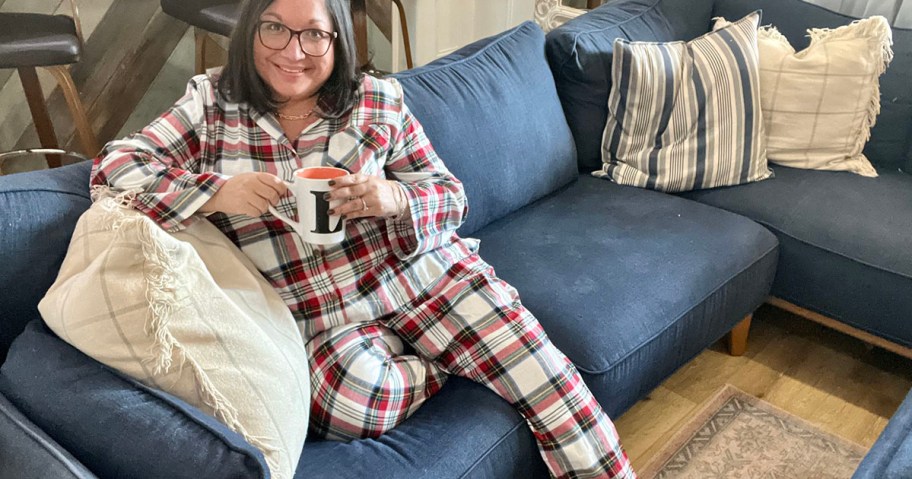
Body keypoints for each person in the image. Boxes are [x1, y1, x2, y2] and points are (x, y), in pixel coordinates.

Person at [90, 0, 636, 477]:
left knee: (552, 387)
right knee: (345, 404)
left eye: (314, 34)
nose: (293, 51)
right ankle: (445, 363)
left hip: (423, 276)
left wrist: (395, 199)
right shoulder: (210, 105)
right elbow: (114, 166)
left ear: (338, 39)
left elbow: (450, 196)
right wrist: (216, 193)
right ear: (251, 30)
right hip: (326, 315)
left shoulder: (378, 100)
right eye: (274, 28)